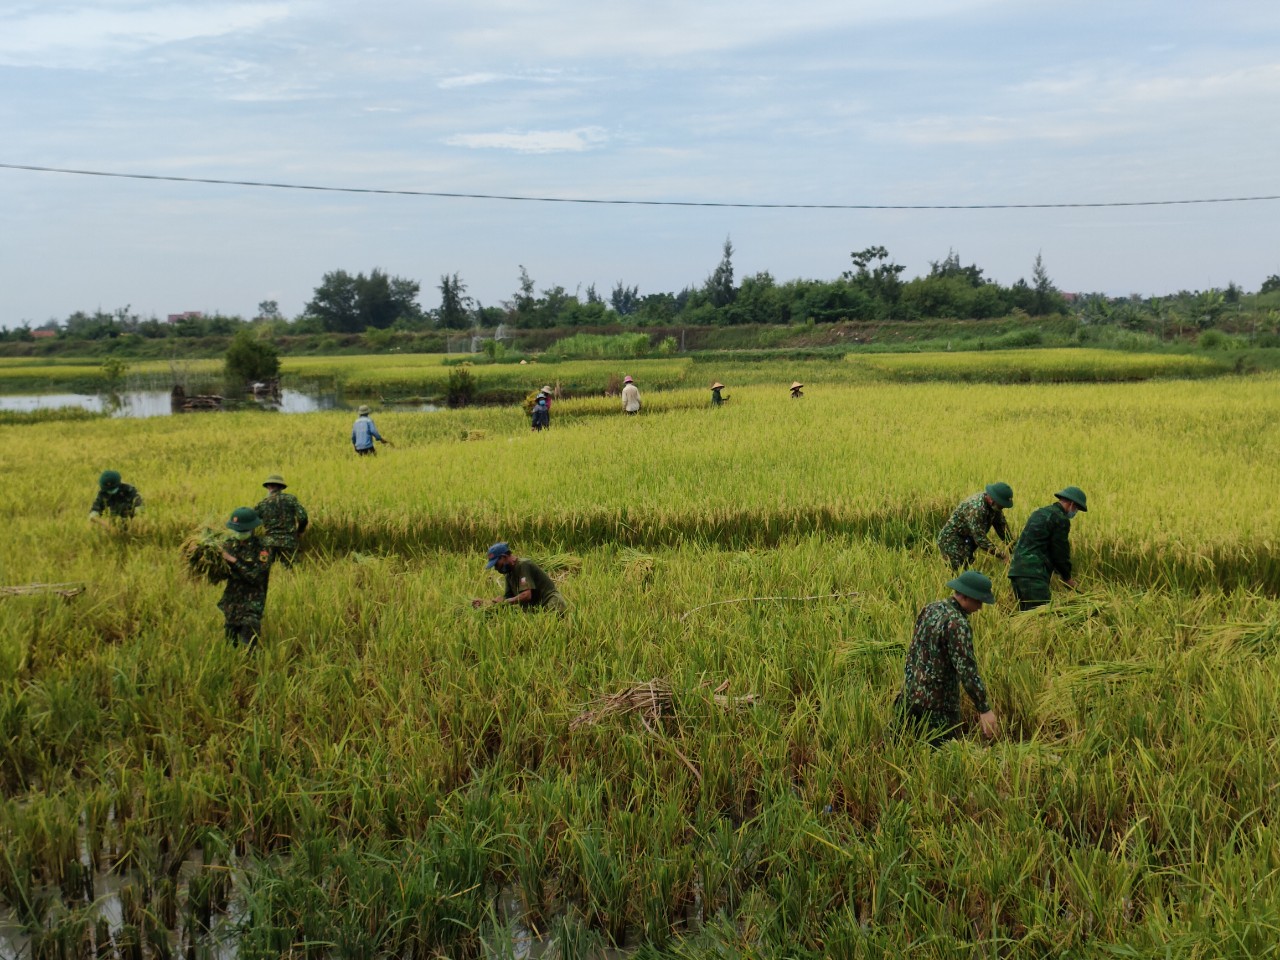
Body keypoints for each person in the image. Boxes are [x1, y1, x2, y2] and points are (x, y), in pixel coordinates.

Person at [897, 570, 998, 745]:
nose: (980, 607)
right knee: (940, 759)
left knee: (902, 749)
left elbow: (914, 650)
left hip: (909, 697)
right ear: (966, 596)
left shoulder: (929, 608)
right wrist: (984, 709)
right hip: (938, 708)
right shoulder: (957, 624)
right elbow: (967, 670)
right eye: (979, 601)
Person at [1007, 486, 1088, 611]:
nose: (1075, 512)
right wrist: (1067, 577)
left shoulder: (1040, 512)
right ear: (1071, 504)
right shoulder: (1060, 518)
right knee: (1041, 617)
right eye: (1077, 508)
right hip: (1033, 573)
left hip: (1017, 570)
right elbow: (1060, 551)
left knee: (1026, 616)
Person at [216, 507, 273, 648]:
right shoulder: (229, 544)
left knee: (249, 645)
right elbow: (221, 574)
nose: (239, 534)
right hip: (232, 602)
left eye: (242, 531)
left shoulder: (263, 548)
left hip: (252, 603)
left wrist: (233, 561)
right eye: (237, 531)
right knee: (230, 645)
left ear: (252, 529)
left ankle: (252, 668)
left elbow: (255, 577)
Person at [936, 482, 1014, 571]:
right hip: (951, 540)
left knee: (966, 568)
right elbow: (980, 539)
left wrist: (1014, 549)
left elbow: (1002, 528)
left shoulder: (995, 508)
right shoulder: (976, 509)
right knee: (957, 573)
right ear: (992, 500)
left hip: (967, 540)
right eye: (1001, 505)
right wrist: (1002, 555)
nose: (1002, 508)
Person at [472, 542, 567, 613]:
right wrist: (487, 603)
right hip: (538, 610)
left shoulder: (523, 565)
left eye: (496, 564)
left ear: (504, 557)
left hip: (553, 605)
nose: (496, 568)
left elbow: (526, 595)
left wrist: (506, 601)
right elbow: (507, 598)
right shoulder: (509, 574)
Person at [254, 474, 309, 566]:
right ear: (281, 487)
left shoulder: (262, 504)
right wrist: (300, 531)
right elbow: (303, 517)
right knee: (294, 571)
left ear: (268, 486)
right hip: (289, 543)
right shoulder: (290, 499)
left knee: (261, 566)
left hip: (267, 544)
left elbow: (250, 521)